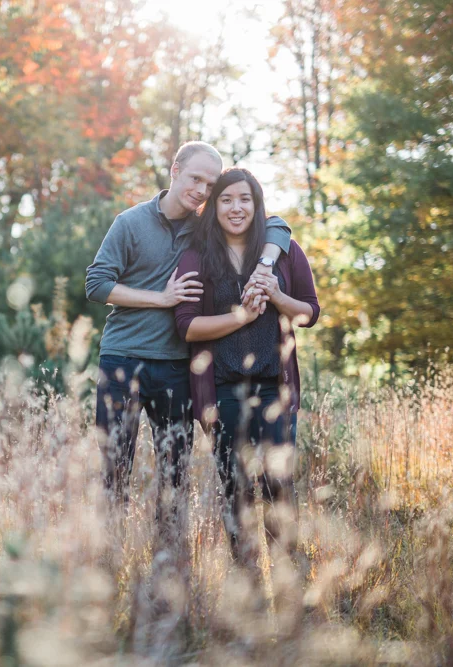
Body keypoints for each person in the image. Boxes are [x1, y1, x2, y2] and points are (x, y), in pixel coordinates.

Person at [85, 143, 292, 562]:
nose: (201, 190)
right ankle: (106, 567)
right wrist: (160, 299)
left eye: (209, 184)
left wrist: (267, 264)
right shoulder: (130, 222)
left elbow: (277, 225)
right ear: (175, 170)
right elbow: (96, 284)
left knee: (173, 475)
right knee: (114, 470)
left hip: (178, 367)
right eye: (195, 178)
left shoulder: (205, 228)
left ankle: (169, 568)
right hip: (124, 358)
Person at [173, 167, 319, 573]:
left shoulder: (283, 252)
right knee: (235, 491)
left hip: (275, 389)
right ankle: (247, 588)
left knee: (278, 487)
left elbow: (310, 313)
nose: (236, 208)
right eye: (226, 199)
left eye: (244, 199)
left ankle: (289, 581)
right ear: (213, 206)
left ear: (256, 205)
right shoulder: (196, 256)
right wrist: (239, 317)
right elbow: (186, 326)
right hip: (221, 392)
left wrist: (277, 295)